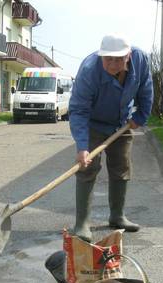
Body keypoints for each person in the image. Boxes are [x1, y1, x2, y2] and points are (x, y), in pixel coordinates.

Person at [68, 34, 153, 242]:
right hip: (93, 125)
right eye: (108, 59)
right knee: (86, 168)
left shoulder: (140, 61)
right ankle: (82, 224)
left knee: (121, 168)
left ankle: (117, 216)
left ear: (128, 55)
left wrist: (140, 116)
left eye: (118, 59)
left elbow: (146, 89)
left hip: (121, 124)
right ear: (101, 55)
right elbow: (78, 110)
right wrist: (82, 146)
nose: (113, 64)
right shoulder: (89, 70)